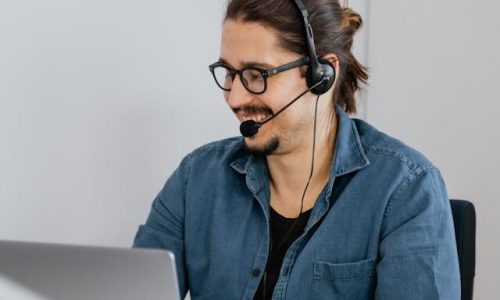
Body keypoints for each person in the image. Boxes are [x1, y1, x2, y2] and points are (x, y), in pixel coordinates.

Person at [133, 0, 461, 299]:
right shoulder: (196, 179)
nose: (234, 98)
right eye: (230, 74)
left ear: (322, 76)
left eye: (256, 75)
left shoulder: (405, 190)